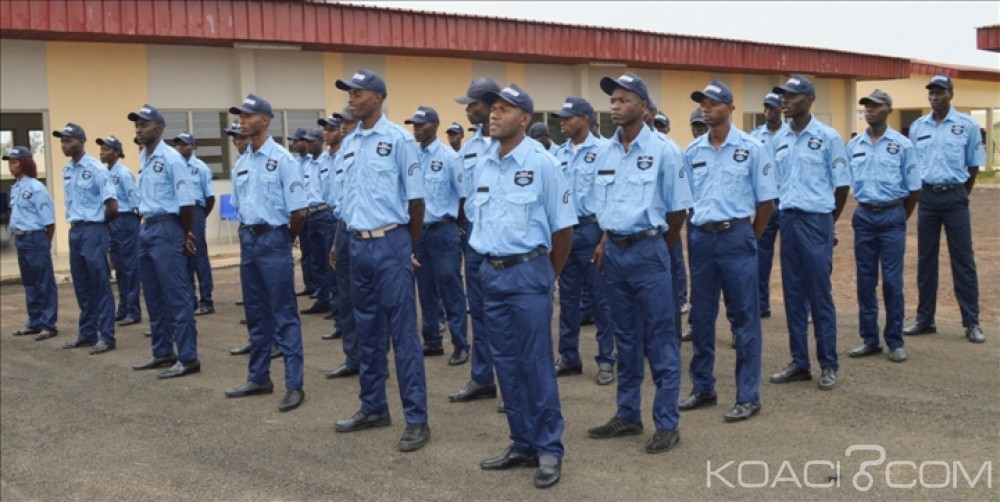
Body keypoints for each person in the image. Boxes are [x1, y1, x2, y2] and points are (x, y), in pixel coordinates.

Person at [471, 83, 574, 489]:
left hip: (529, 272)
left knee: (535, 364)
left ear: (525, 119)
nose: (494, 115)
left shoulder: (544, 164)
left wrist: (548, 275)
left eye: (505, 110)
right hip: (490, 273)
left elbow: (563, 230)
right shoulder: (484, 162)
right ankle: (522, 443)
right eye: (493, 109)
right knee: (506, 365)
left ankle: (549, 448)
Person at [587, 72, 693, 454]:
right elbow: (608, 205)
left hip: (649, 252)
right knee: (625, 338)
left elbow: (678, 210)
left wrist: (655, 247)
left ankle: (667, 422)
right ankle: (627, 415)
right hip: (614, 253)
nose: (615, 105)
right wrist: (605, 241)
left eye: (623, 99)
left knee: (661, 338)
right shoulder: (605, 151)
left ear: (644, 107)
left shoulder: (665, 150)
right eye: (612, 100)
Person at [331, 69, 430, 453]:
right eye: (349, 94)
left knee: (403, 336)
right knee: (366, 331)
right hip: (357, 246)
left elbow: (416, 201)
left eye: (357, 93)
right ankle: (373, 407)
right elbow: (349, 200)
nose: (350, 100)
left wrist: (407, 247)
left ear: (377, 97)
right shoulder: (350, 143)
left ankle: (417, 419)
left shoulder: (399, 141)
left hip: (391, 243)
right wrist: (344, 242)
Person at [678, 80, 776, 422]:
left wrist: (749, 237)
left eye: (713, 102)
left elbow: (766, 203)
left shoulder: (752, 148)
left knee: (744, 318)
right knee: (701, 318)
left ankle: (748, 396)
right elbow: (685, 200)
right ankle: (703, 387)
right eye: (702, 103)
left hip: (736, 237)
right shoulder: (692, 153)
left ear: (730, 109)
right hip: (702, 239)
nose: (705, 108)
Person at [223, 93, 308, 412]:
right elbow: (241, 206)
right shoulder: (242, 163)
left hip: (274, 239)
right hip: (249, 240)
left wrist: (284, 240)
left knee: (284, 313)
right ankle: (259, 377)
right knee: (255, 312)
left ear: (265, 120)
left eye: (248, 115)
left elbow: (299, 212)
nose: (242, 120)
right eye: (241, 116)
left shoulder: (283, 159)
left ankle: (294, 384)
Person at [767, 75, 850, 391]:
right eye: (783, 96)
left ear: (809, 99)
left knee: (819, 296)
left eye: (791, 96)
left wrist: (829, 223)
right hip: (787, 221)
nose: (785, 101)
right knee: (793, 294)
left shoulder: (828, 138)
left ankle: (828, 364)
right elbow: (774, 184)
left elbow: (841, 186)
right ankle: (799, 362)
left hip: (817, 222)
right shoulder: (780, 140)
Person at [904, 74, 987, 343]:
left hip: (955, 197)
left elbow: (973, 166)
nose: (934, 96)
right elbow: (914, 165)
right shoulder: (918, 127)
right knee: (925, 260)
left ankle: (971, 321)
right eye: (931, 92)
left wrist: (961, 194)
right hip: (927, 197)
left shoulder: (967, 126)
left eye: (940, 92)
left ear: (951, 94)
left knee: (963, 260)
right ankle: (925, 319)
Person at [846, 90, 921, 363]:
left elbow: (914, 189)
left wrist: (900, 216)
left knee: (891, 282)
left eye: (875, 106)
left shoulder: (903, 145)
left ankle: (895, 340)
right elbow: (846, 181)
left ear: (888, 110)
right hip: (864, 216)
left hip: (892, 217)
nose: (869, 110)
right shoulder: (854, 146)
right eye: (866, 106)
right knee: (865, 281)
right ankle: (869, 339)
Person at [128, 104, 201, 379]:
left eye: (144, 124)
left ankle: (188, 357)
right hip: (146, 229)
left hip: (167, 228)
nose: (139, 128)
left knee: (176, 295)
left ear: (159, 128)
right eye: (137, 124)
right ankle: (162, 352)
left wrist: (183, 234)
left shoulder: (171, 158)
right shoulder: (143, 158)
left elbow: (187, 203)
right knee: (154, 294)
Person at [551, 96, 616, 385]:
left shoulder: (605, 151)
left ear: (586, 119)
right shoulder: (559, 155)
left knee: (602, 300)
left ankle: (606, 359)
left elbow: (613, 199)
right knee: (568, 299)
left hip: (593, 232)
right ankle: (569, 357)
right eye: (562, 117)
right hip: (566, 233)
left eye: (569, 117)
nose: (563, 122)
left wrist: (604, 239)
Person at [448, 77, 503, 407]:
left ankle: (512, 384)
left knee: (507, 317)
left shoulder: (511, 144)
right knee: (480, 312)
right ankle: (483, 378)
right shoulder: (468, 149)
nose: (467, 110)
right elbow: (462, 194)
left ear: (490, 105)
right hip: (475, 235)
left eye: (472, 104)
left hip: (506, 239)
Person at [404, 106, 470, 366]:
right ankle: (432, 341)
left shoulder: (449, 157)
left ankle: (461, 344)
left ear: (434, 125)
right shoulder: (411, 157)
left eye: (420, 124)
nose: (416, 128)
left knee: (450, 288)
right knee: (426, 289)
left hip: (443, 230)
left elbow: (463, 194)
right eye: (414, 124)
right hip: (418, 232)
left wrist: (456, 223)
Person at [54, 122, 119, 355]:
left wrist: (99, 226)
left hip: (94, 230)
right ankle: (87, 334)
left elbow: (112, 206)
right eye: (62, 141)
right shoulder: (67, 170)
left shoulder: (96, 169)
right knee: (82, 284)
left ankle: (107, 336)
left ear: (82, 141)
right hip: (76, 230)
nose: (64, 144)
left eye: (69, 140)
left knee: (99, 283)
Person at [324, 106, 363, 379]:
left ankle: (374, 360)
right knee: (346, 299)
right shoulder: (340, 156)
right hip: (343, 229)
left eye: (348, 121)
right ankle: (353, 358)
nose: (344, 126)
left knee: (368, 301)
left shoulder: (367, 150)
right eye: (341, 122)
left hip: (368, 234)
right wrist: (337, 242)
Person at [5, 146, 59, 340]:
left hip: (36, 238)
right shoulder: (16, 187)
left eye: (15, 161)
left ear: (25, 163)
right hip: (21, 238)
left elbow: (49, 221)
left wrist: (46, 244)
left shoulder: (36, 187)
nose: (11, 165)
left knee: (44, 282)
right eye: (9, 161)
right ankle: (34, 322)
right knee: (29, 283)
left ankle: (48, 324)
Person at [750, 92, 789, 319]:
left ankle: (800, 307)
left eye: (772, 108)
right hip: (765, 203)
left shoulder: (790, 135)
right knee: (761, 256)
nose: (768, 112)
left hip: (786, 202)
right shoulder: (755, 136)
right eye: (765, 107)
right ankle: (761, 303)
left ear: (781, 110)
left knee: (792, 258)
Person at [98, 135, 142, 327]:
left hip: (125, 220)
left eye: (107, 149)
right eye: (101, 149)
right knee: (119, 268)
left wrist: (131, 226)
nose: (102, 152)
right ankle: (123, 307)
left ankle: (133, 310)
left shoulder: (123, 174)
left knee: (130, 268)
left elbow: (135, 203)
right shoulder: (105, 173)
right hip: (112, 222)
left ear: (116, 152)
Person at [172, 132, 216, 316]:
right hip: (178, 212)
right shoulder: (174, 165)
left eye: (185, 144)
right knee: (184, 258)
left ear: (194, 147)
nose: (181, 147)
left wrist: (200, 217)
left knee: (199, 258)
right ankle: (190, 301)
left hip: (196, 212)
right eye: (178, 144)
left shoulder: (201, 168)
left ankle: (207, 300)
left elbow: (210, 198)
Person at [298, 127, 336, 317]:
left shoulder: (327, 162)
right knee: (316, 260)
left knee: (330, 259)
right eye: (307, 141)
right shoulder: (307, 165)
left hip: (325, 214)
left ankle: (335, 301)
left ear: (321, 142)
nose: (309, 144)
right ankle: (323, 299)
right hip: (311, 214)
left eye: (312, 141)